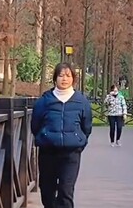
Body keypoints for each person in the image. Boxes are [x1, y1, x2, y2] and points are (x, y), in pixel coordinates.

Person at [31, 63, 93, 208]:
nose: (64, 79)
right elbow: (35, 124)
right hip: (48, 152)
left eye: (68, 76)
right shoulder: (44, 101)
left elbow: (87, 126)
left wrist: (79, 141)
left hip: (71, 154)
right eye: (60, 75)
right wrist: (44, 136)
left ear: (73, 79)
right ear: (55, 78)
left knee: (66, 190)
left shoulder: (81, 101)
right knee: (47, 191)